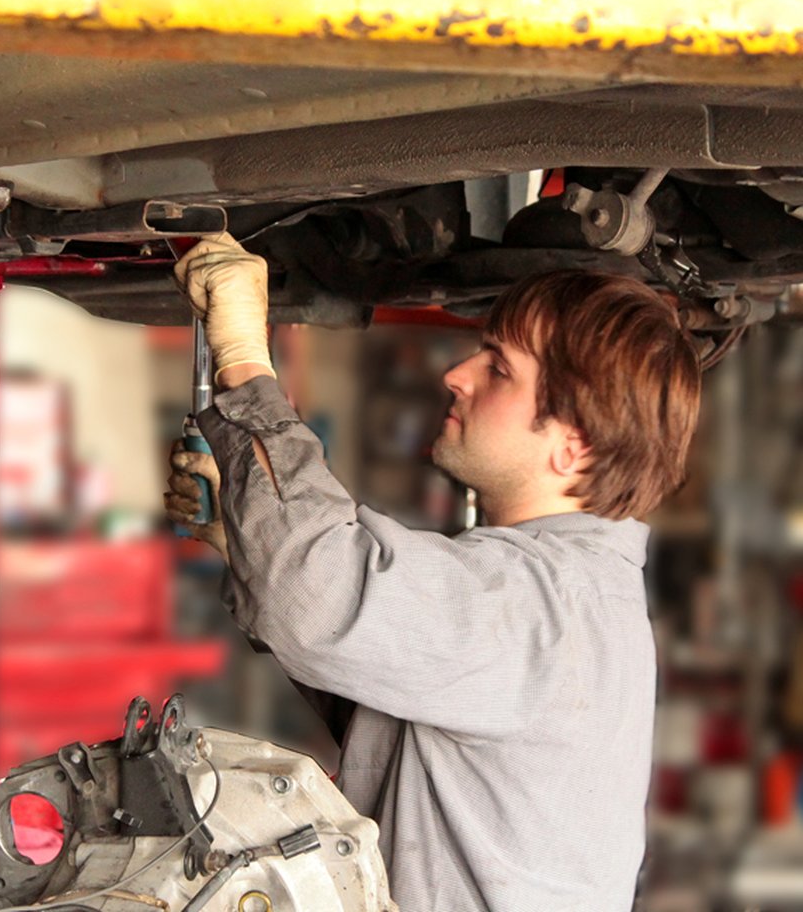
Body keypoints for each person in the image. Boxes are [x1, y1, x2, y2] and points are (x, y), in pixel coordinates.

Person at [164, 234, 702, 912]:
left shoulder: (536, 602)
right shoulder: (578, 593)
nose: (460, 374)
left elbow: (317, 595)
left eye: (500, 369)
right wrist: (244, 539)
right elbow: (385, 709)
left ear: (575, 445)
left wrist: (245, 362)